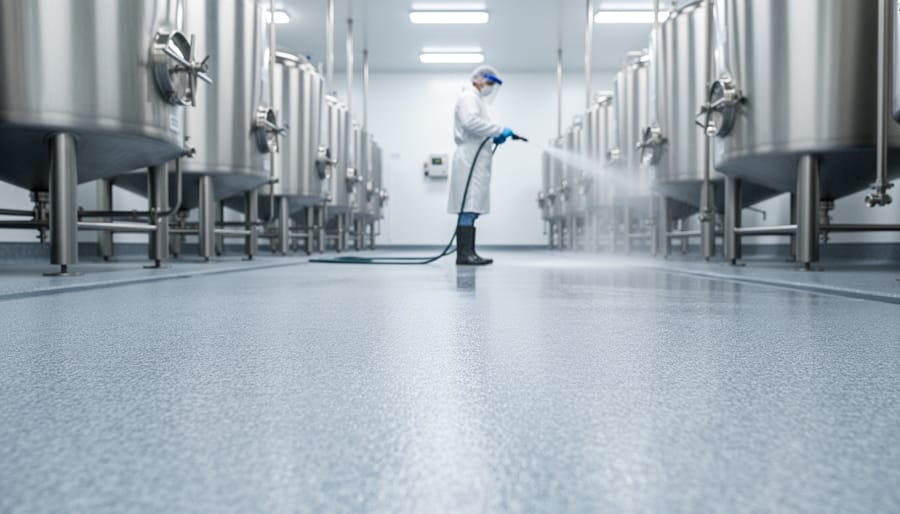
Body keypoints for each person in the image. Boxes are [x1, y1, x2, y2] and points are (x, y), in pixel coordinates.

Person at [447, 65, 517, 266]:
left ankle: (469, 252)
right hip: (469, 157)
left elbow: (478, 125)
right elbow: (470, 122)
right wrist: (498, 130)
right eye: (489, 83)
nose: (490, 87)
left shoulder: (477, 100)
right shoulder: (468, 97)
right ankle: (464, 254)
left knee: (473, 206)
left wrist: (493, 137)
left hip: (476, 158)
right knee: (468, 205)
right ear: (477, 80)